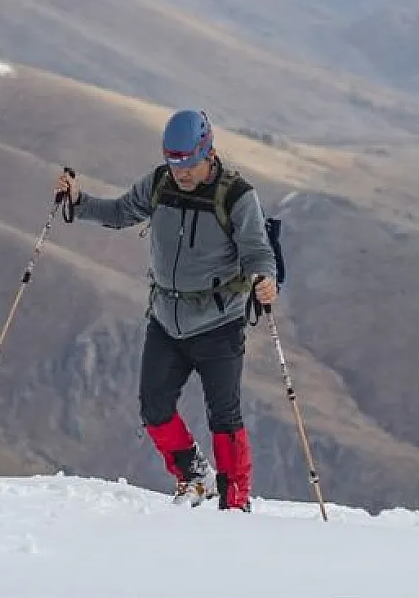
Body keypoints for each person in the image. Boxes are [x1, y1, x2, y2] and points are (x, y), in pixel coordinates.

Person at [54, 109, 278, 511]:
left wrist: (264, 277)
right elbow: (121, 212)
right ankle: (193, 475)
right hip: (166, 320)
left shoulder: (237, 197)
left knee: (224, 417)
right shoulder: (159, 183)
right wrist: (78, 202)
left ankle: (235, 499)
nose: (181, 173)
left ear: (207, 151)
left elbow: (258, 249)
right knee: (154, 407)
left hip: (219, 323)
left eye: (188, 163)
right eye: (174, 162)